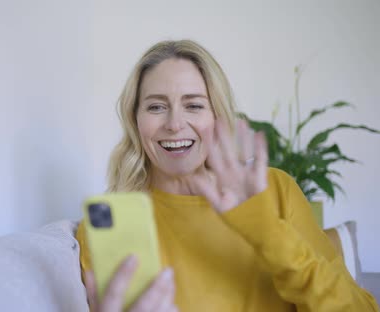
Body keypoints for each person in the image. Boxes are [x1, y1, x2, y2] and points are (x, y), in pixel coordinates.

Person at [76, 39, 379, 311]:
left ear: (217, 116)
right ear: (135, 120)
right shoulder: (107, 224)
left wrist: (266, 230)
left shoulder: (275, 190)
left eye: (194, 105)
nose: (174, 123)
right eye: (156, 107)